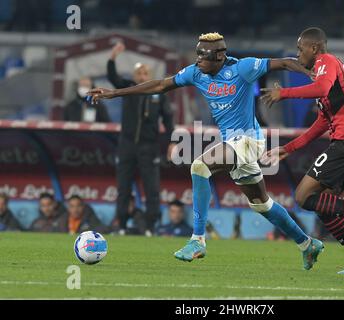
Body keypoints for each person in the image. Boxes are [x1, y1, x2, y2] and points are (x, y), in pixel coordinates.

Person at [88, 32, 322, 270]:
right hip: (233, 142)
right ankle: (307, 244)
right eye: (197, 53)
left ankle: (197, 240)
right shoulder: (196, 73)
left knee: (199, 166)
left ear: (220, 56)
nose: (198, 59)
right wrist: (114, 93)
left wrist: (308, 73)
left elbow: (283, 62)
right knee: (261, 204)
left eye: (203, 55)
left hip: (250, 140)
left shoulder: (243, 68)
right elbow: (160, 84)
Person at [260, 27, 344, 275]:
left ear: (314, 48)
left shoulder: (327, 62)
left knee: (302, 196)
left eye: (300, 49)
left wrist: (283, 93)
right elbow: (322, 122)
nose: (299, 55)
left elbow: (320, 89)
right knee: (324, 207)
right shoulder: (326, 74)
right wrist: (289, 147)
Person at [107, 42, 176, 236]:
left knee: (152, 189)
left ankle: (150, 226)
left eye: (146, 73)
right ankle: (121, 224)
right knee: (123, 188)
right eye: (139, 73)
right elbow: (113, 78)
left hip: (149, 146)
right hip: (127, 145)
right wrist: (112, 58)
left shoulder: (158, 93)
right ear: (134, 76)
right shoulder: (128, 89)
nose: (142, 76)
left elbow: (169, 118)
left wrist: (172, 141)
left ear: (150, 76)